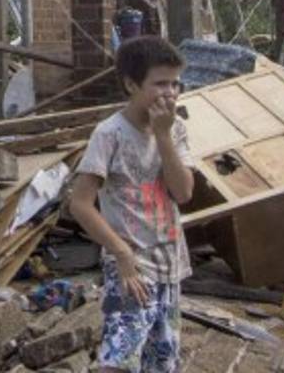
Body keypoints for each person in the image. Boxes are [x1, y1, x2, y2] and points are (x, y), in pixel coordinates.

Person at [67, 36, 195, 372]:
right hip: (132, 268)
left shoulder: (176, 129)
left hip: (170, 262)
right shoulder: (109, 134)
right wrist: (121, 253)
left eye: (175, 83)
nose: (170, 92)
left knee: (163, 361)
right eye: (159, 84)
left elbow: (183, 193)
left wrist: (163, 135)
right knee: (120, 362)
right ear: (131, 84)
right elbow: (80, 203)